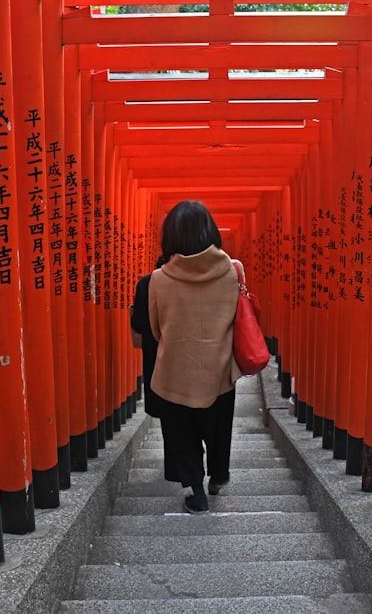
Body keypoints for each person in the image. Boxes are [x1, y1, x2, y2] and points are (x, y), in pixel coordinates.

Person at [148, 200, 240, 513]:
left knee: (182, 433)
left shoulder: (159, 279)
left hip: (175, 371)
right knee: (218, 427)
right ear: (210, 231)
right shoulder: (232, 270)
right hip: (220, 369)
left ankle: (197, 492)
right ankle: (219, 474)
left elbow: (155, 328)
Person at [130, 256, 167, 418]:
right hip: (182, 363)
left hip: (154, 353)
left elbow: (137, 323)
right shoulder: (186, 283)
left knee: (167, 417)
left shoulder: (146, 283)